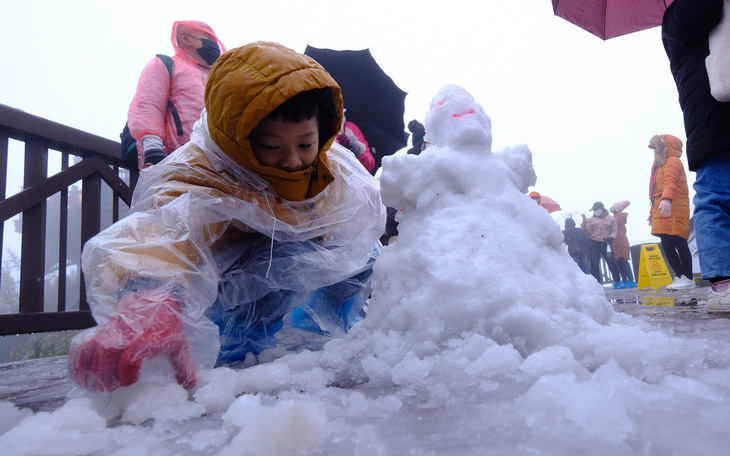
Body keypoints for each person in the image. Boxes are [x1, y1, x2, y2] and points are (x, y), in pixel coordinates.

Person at [67, 42, 386, 392]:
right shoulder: (204, 172)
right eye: (272, 147)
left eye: (306, 144)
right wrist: (148, 298)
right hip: (225, 287)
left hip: (288, 271)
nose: (294, 160)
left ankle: (322, 321)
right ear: (241, 140)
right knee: (272, 259)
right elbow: (164, 229)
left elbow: (355, 225)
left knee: (364, 255)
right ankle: (234, 342)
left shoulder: (330, 168)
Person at [662, 0, 730, 310]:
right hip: (711, 117)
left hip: (670, 214)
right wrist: (661, 201)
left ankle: (689, 277)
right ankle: (722, 282)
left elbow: (669, 186)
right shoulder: (676, 16)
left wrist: (663, 200)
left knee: (714, 197)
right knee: (716, 196)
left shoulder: (669, 161)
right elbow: (703, 9)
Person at [127, 20, 226, 170]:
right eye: (207, 38)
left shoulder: (218, 78)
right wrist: (154, 151)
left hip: (218, 166)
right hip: (176, 161)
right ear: (185, 38)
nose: (213, 43)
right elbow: (148, 107)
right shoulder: (164, 64)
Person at [647, 134, 696, 290]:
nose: (655, 152)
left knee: (679, 241)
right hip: (663, 206)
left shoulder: (673, 161)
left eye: (658, 148)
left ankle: (688, 277)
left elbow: (670, 182)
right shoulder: (660, 165)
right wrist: (652, 211)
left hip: (674, 206)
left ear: (665, 147)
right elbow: (657, 190)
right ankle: (680, 276)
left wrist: (666, 199)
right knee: (667, 243)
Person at [581, 202, 620, 285]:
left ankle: (617, 282)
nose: (595, 211)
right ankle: (597, 283)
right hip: (594, 242)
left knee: (612, 263)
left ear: (601, 209)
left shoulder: (611, 219)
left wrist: (611, 238)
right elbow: (589, 233)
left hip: (606, 243)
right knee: (594, 264)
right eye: (594, 210)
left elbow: (614, 230)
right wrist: (584, 226)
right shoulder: (591, 219)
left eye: (596, 209)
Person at [609, 200, 637, 289]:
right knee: (620, 262)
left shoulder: (618, 218)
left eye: (614, 207)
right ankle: (625, 280)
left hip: (620, 244)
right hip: (617, 244)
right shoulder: (618, 218)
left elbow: (610, 223)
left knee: (624, 262)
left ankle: (630, 280)